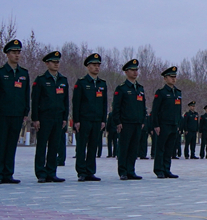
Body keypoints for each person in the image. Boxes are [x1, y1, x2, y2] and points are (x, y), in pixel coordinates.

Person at [0, 39, 30, 184]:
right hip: (2, 114)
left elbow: (26, 94)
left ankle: (8, 173)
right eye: (14, 52)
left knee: (12, 144)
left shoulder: (23, 73)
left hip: (17, 113)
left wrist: (25, 112)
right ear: (7, 54)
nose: (16, 55)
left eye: (18, 52)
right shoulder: (0, 72)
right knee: (1, 144)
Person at [31, 51, 69, 183]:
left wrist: (65, 118)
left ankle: (51, 172)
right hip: (44, 117)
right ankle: (41, 173)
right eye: (53, 62)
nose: (56, 64)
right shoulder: (41, 80)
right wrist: (35, 118)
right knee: (42, 146)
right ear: (47, 64)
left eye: (58, 62)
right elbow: (35, 100)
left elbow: (65, 101)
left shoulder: (63, 80)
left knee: (54, 146)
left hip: (58, 117)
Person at [72, 53, 107, 181]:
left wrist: (103, 120)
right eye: (94, 65)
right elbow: (76, 103)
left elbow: (104, 103)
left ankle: (90, 171)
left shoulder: (102, 84)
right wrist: (76, 120)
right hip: (84, 119)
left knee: (93, 146)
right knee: (81, 146)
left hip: (97, 120)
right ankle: (81, 171)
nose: (97, 67)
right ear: (88, 67)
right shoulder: (81, 83)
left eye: (98, 65)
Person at [111, 58, 146, 180]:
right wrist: (118, 121)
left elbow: (143, 107)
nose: (135, 72)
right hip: (125, 123)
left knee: (133, 148)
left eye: (136, 70)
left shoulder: (140, 88)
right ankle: (123, 171)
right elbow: (116, 107)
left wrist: (143, 120)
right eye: (132, 70)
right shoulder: (122, 88)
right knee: (124, 148)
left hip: (137, 122)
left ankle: (131, 170)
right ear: (126, 72)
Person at [151, 67, 182, 177]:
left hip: (174, 124)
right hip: (163, 124)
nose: (173, 79)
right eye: (171, 77)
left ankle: (166, 169)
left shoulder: (178, 93)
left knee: (169, 149)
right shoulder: (161, 93)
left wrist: (179, 124)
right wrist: (156, 125)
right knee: (160, 148)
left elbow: (178, 110)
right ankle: (159, 169)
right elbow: (155, 110)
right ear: (165, 78)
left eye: (175, 77)